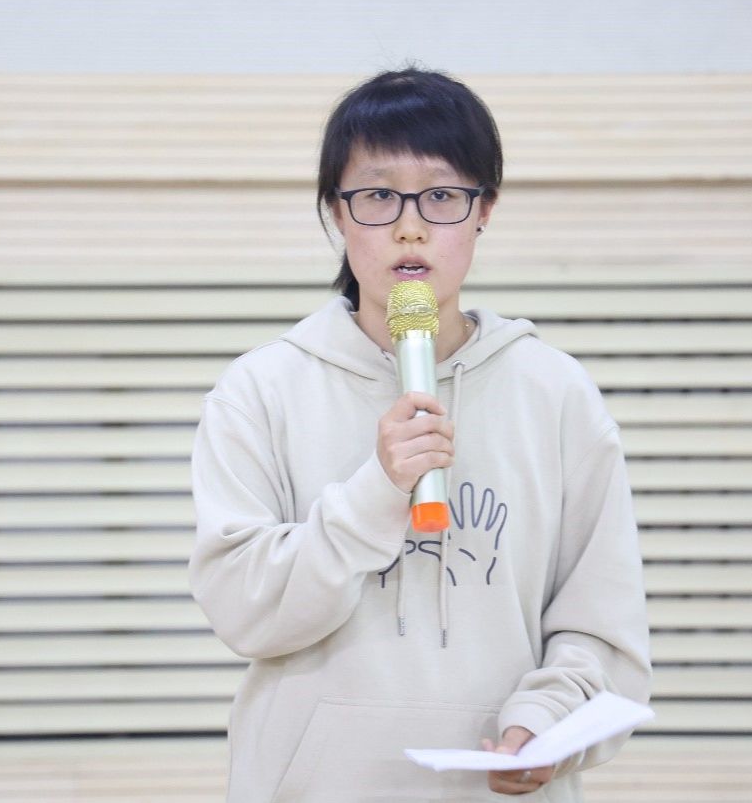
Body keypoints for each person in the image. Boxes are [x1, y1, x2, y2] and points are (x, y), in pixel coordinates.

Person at [188, 67, 651, 802]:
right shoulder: (261, 390)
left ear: (484, 209)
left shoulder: (556, 394)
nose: (410, 226)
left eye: (441, 195)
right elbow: (244, 610)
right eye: (377, 196)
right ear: (336, 213)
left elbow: (602, 626)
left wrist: (545, 725)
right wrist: (377, 492)